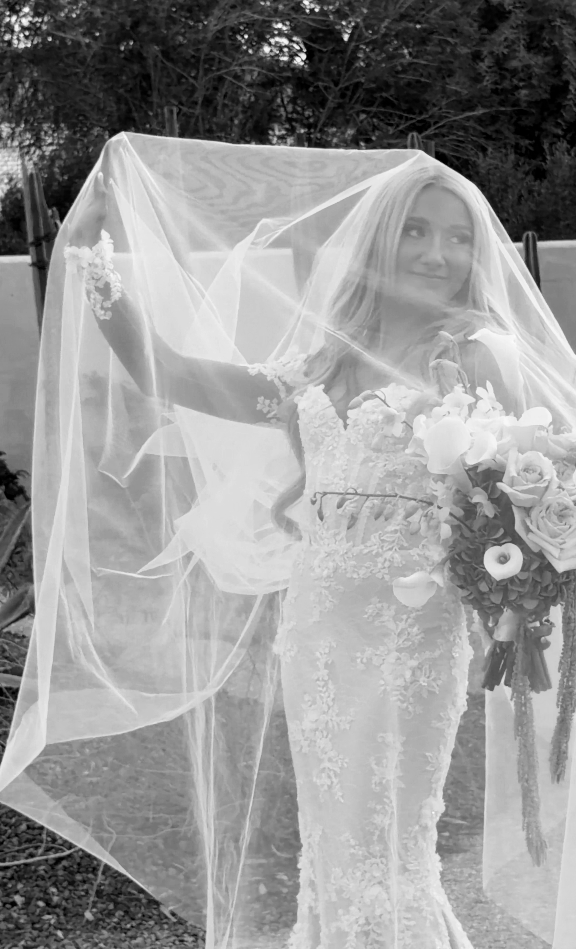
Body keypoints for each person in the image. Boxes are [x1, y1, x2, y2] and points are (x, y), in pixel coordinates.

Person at [0, 137, 575, 949]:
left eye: (456, 238)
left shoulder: (479, 353)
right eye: (415, 230)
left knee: (391, 848)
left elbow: (534, 486)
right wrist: (99, 278)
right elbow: (170, 374)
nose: (437, 253)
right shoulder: (317, 369)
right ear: (376, 244)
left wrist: (502, 578)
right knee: (336, 845)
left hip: (413, 637)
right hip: (316, 637)